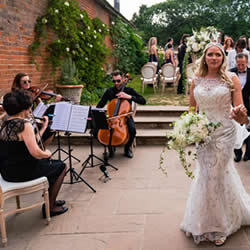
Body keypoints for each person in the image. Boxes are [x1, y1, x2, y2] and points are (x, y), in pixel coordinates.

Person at [180, 42, 250, 246]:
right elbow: (192, 109)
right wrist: (189, 127)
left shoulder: (231, 79)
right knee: (205, 174)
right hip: (203, 134)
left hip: (224, 133)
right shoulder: (196, 80)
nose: (213, 58)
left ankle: (220, 226)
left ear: (222, 57)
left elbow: (240, 110)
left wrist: (241, 114)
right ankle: (203, 220)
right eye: (210, 54)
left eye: (217, 54)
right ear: (204, 57)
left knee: (217, 174)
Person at [0, 90, 68, 217]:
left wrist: (43, 128)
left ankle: (50, 199)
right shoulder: (24, 125)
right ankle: (51, 206)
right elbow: (35, 152)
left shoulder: (5, 123)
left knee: (51, 165)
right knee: (61, 166)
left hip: (7, 171)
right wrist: (46, 153)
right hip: (22, 172)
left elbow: (31, 141)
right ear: (25, 109)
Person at [96, 70, 146, 158]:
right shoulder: (109, 91)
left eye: (118, 81)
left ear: (123, 79)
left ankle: (127, 149)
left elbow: (143, 101)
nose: (116, 83)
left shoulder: (129, 90)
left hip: (125, 117)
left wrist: (129, 97)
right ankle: (110, 146)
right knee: (96, 131)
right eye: (114, 81)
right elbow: (100, 105)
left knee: (132, 130)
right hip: (111, 118)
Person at [11, 73, 62, 147]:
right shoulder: (16, 96)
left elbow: (43, 108)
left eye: (29, 81)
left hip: (32, 121)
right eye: (24, 82)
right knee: (46, 129)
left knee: (51, 128)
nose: (28, 84)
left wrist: (53, 102)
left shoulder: (32, 94)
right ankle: (36, 150)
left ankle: (42, 149)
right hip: (22, 124)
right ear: (18, 84)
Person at [231, 53, 250, 161]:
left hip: (248, 106)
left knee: (249, 130)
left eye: (243, 64)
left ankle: (248, 153)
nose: (241, 67)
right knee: (235, 130)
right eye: (239, 64)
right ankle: (237, 153)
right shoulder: (230, 73)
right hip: (234, 107)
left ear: (247, 63)